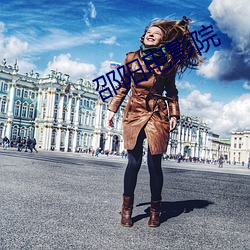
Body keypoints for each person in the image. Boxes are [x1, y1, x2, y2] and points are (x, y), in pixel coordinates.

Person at [107, 16, 201, 227]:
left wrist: (175, 114)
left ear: (162, 40)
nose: (151, 34)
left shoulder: (169, 62)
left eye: (156, 33)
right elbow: (123, 86)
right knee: (133, 162)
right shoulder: (131, 58)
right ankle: (126, 209)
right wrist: (112, 109)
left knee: (154, 164)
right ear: (144, 36)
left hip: (158, 113)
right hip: (134, 111)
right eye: (149, 31)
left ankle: (155, 210)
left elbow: (172, 91)